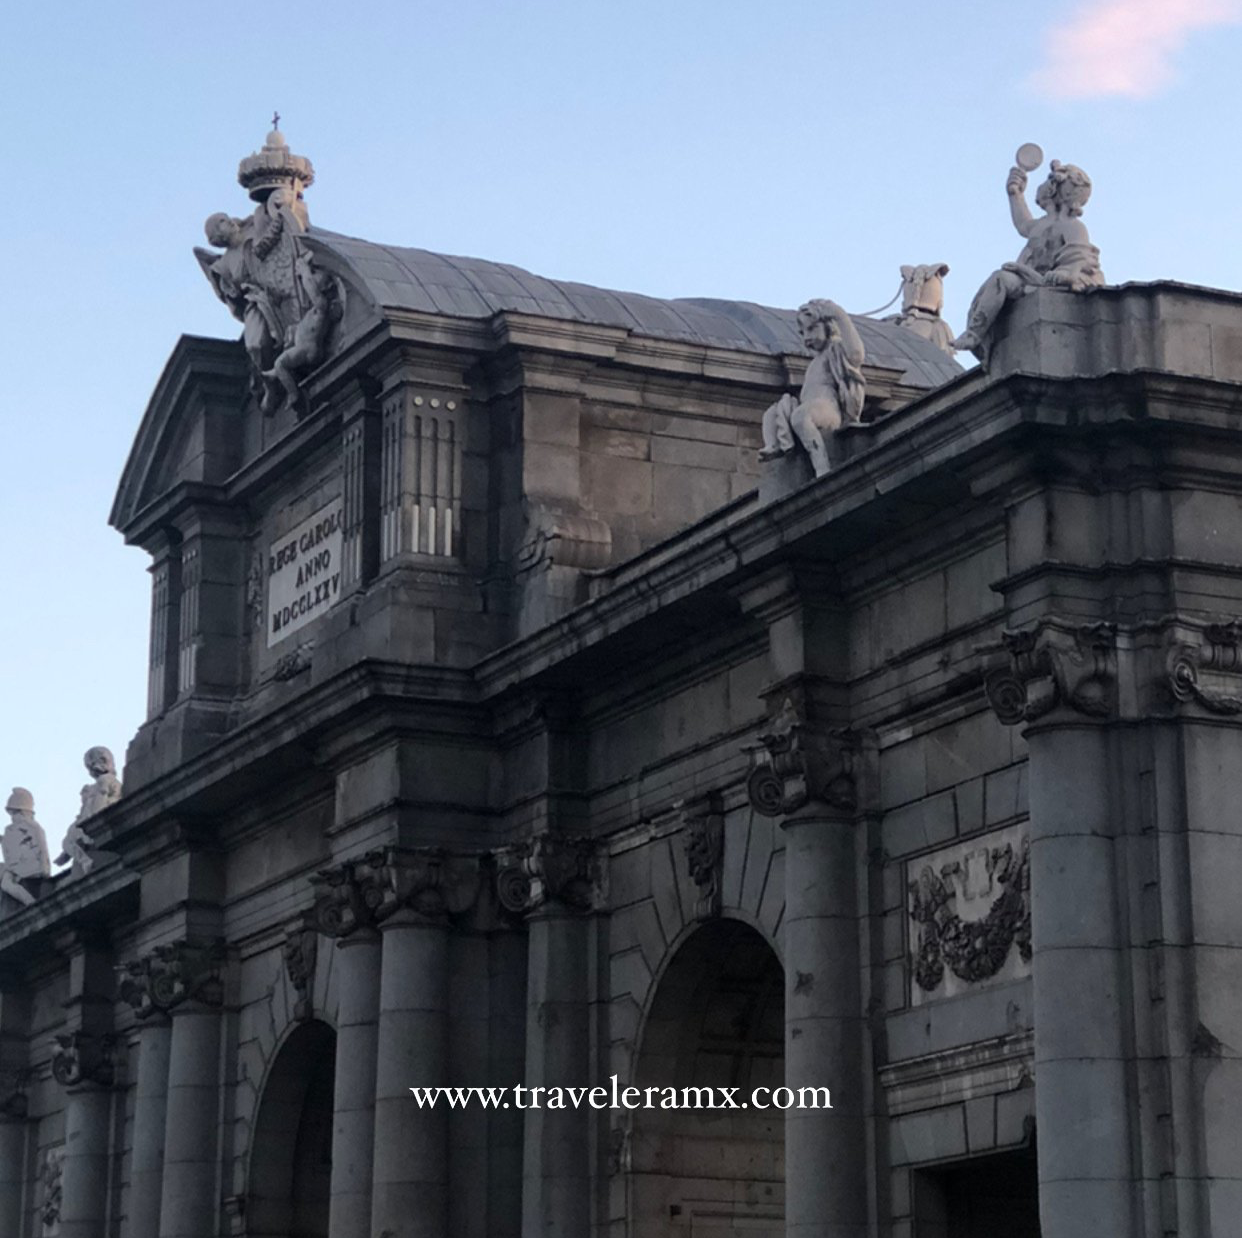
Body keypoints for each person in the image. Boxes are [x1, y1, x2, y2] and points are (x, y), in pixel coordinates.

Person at [953, 160, 1104, 359]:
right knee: (1000, 279)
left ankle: (974, 334)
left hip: (1045, 282)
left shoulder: (1073, 227)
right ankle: (975, 332)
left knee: (1001, 278)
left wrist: (1064, 275)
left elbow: (1079, 259)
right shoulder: (1042, 224)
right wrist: (1015, 194)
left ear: (1054, 189)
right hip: (1027, 278)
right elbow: (1023, 224)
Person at [760, 299, 866, 477]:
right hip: (809, 406)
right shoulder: (815, 362)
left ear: (828, 326)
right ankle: (774, 447)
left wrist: (838, 315)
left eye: (811, 329)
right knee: (772, 413)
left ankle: (822, 467)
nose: (806, 338)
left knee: (801, 416)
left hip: (829, 409)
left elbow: (855, 354)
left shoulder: (835, 350)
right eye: (803, 333)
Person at [1, 788, 50, 907]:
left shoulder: (32, 826)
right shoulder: (9, 829)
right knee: (5, 883)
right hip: (13, 866)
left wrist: (45, 867)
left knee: (6, 884)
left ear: (22, 811)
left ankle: (30, 902)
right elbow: (9, 847)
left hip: (26, 865)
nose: (13, 817)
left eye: (15, 813)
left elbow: (42, 847)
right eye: (12, 813)